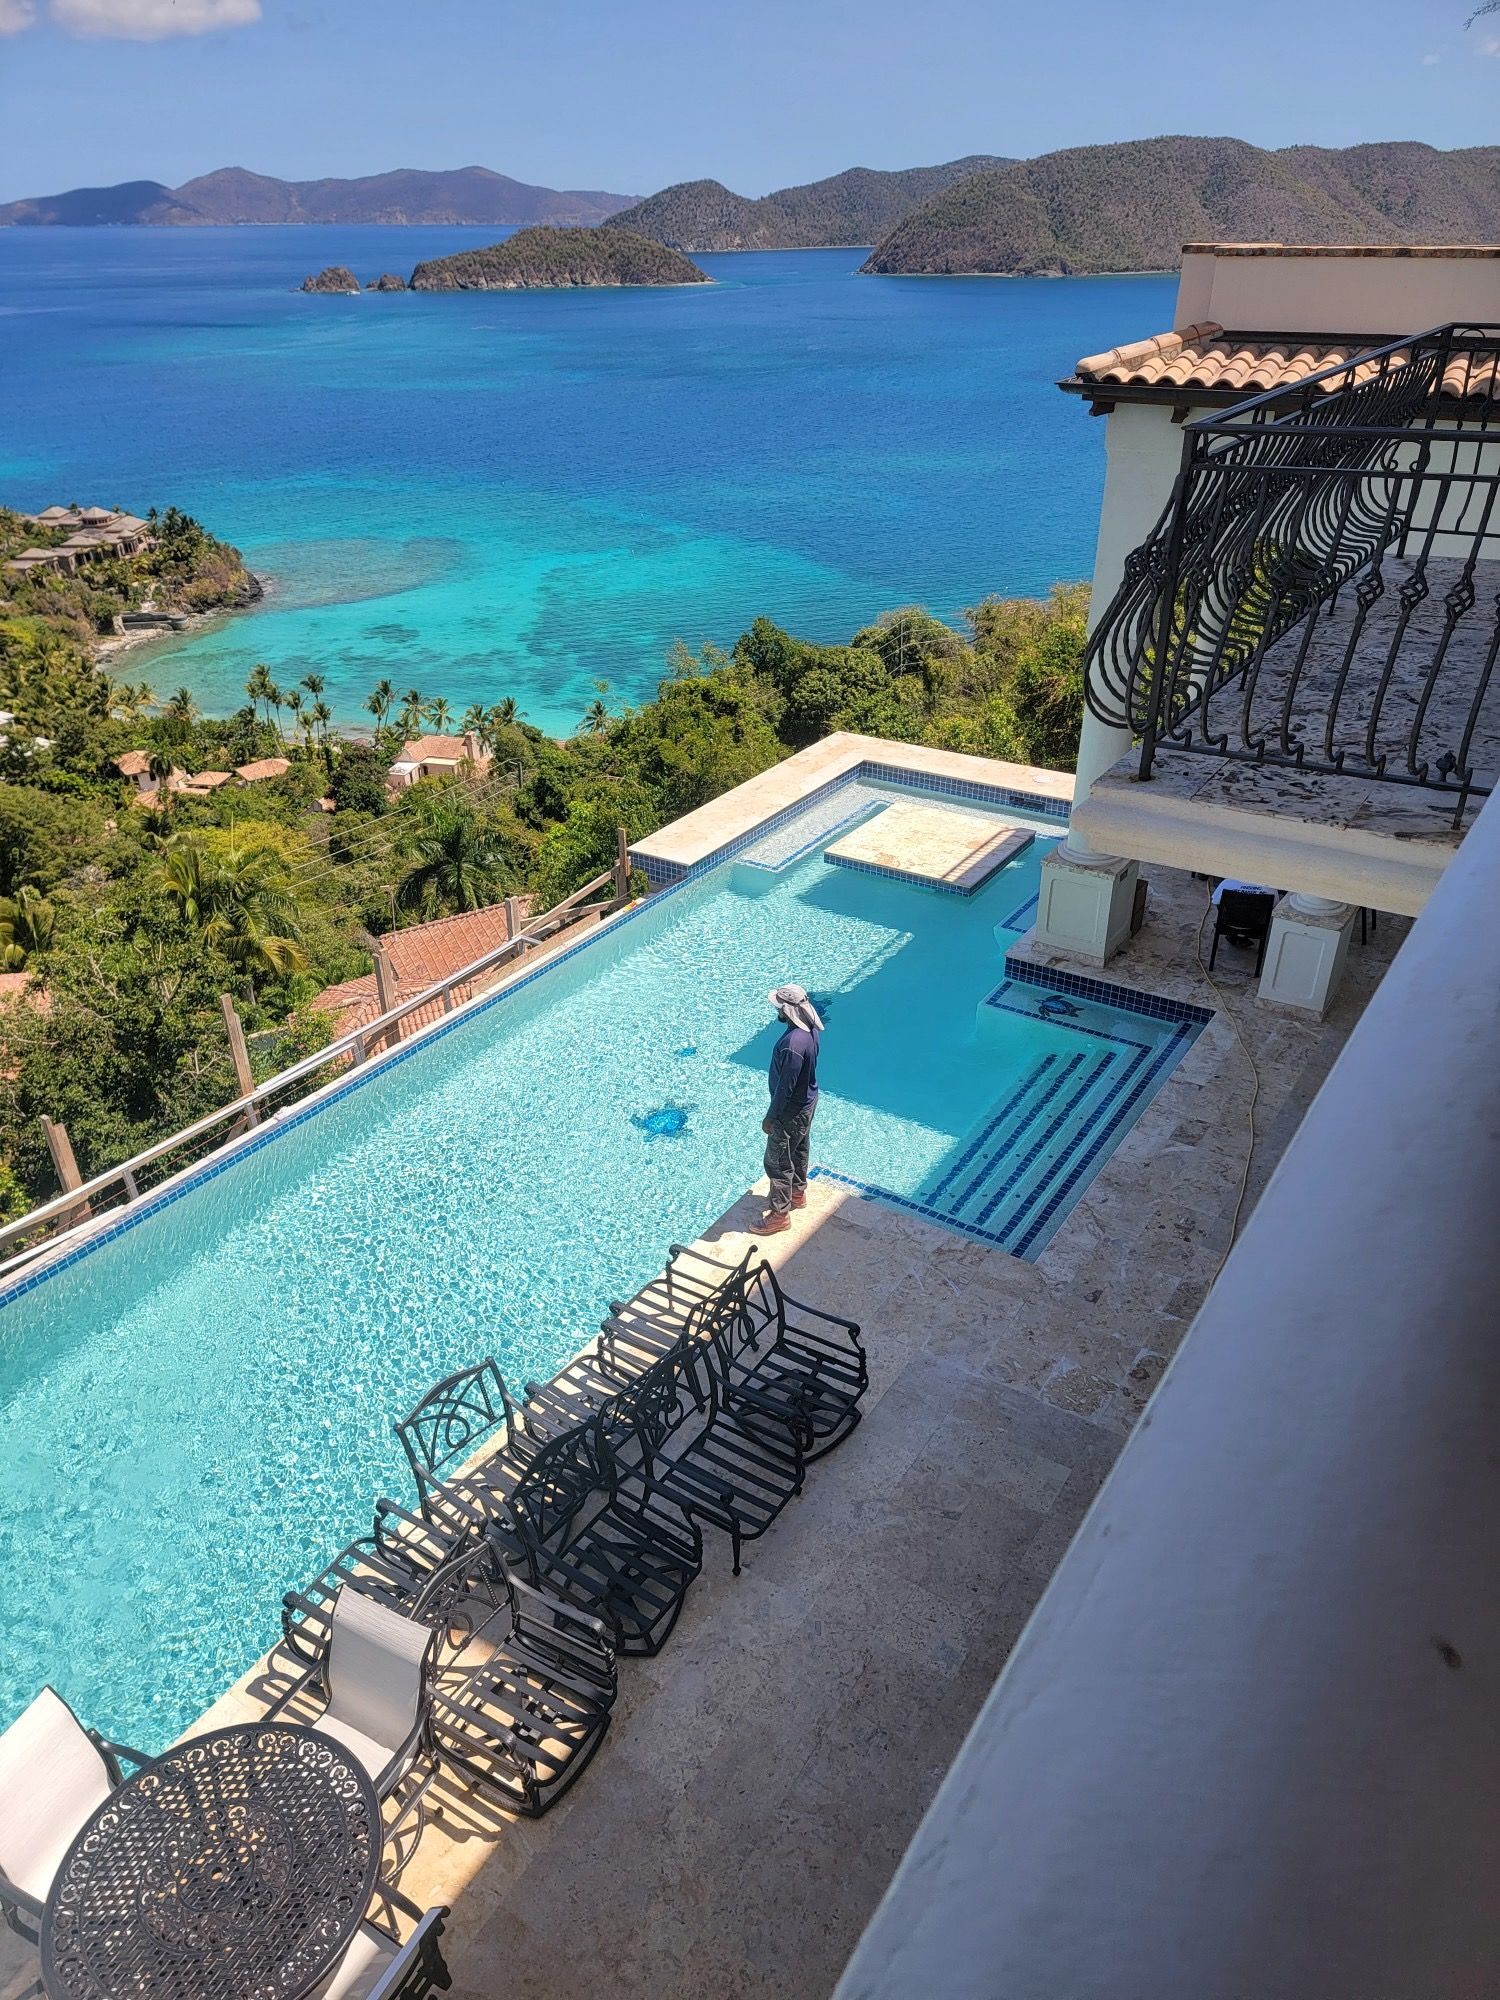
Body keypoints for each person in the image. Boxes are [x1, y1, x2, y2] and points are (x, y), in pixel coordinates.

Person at [761, 983, 823, 1233]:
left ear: (786, 1010)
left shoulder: (792, 1044)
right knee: (798, 1149)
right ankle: (797, 1193)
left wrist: (771, 1117)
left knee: (777, 1162)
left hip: (789, 1110)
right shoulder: (810, 1030)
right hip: (806, 1102)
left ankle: (779, 1215)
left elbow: (785, 1087)